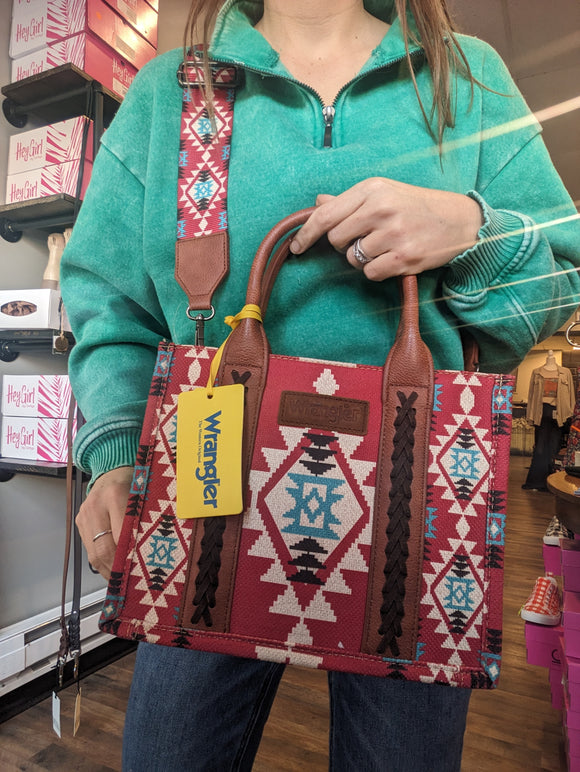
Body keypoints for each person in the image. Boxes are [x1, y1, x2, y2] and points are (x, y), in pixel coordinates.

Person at [60, 0, 580, 769]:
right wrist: (113, 449)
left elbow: (562, 277)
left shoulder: (466, 78)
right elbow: (112, 303)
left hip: (422, 515)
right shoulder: (174, 90)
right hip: (206, 496)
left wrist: (472, 231)